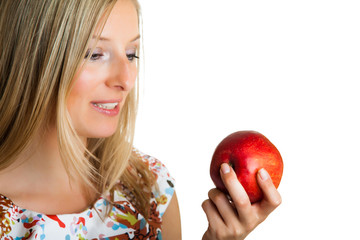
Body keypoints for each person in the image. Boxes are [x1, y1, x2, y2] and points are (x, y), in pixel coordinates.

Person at [0, 0, 281, 239]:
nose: (125, 79)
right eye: (95, 54)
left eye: (131, 54)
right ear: (32, 58)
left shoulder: (149, 189)